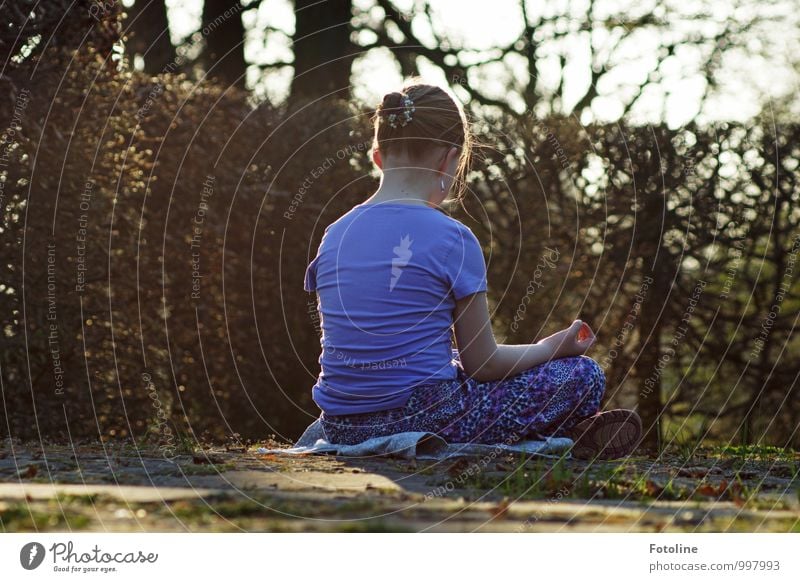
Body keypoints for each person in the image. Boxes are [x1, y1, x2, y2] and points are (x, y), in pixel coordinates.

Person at [303, 80, 642, 459]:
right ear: (449, 160)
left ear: (377, 157)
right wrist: (549, 348)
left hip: (339, 424)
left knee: (447, 369)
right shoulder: (452, 238)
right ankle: (567, 435)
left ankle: (565, 435)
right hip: (428, 417)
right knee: (583, 376)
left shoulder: (334, 235)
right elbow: (482, 363)